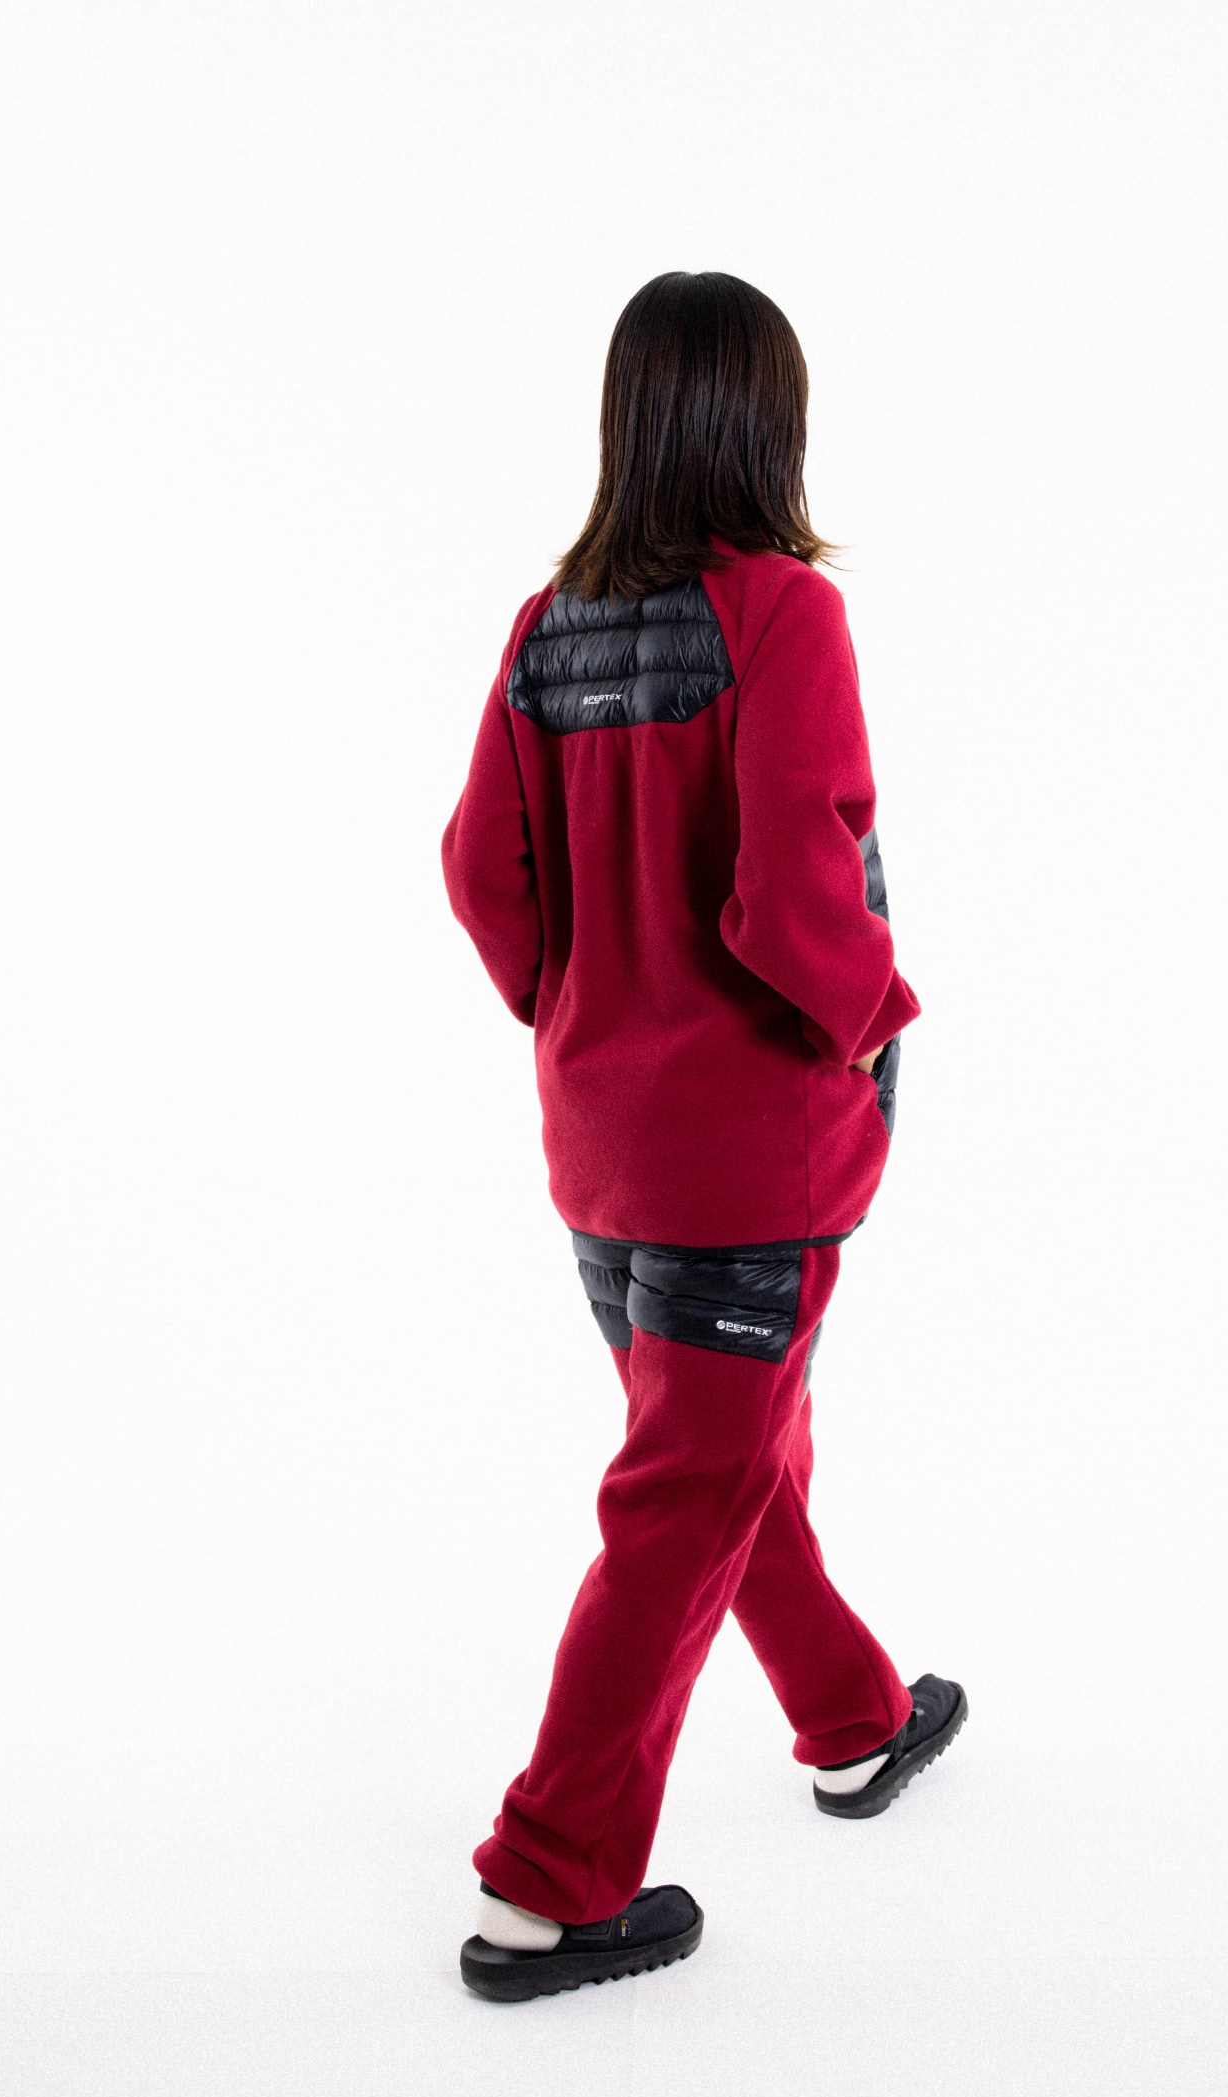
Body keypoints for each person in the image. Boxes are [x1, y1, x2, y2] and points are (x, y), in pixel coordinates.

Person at [441, 271, 964, 2004]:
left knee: (720, 1450)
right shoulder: (782, 613)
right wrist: (873, 1014)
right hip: (749, 1151)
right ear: (765, 420)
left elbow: (480, 870)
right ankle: (546, 1887)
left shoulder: (546, 624)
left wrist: (580, 1009)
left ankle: (853, 1721)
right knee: (684, 1494)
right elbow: (793, 890)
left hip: (602, 1145)